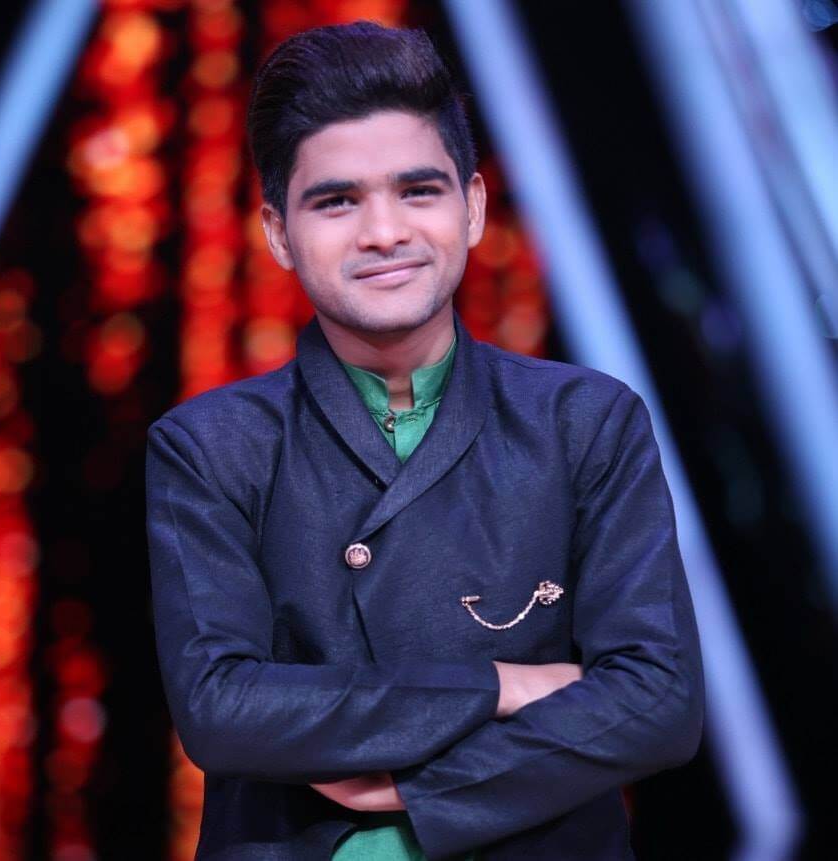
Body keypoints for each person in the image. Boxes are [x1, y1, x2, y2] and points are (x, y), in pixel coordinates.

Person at [145, 20, 704, 861]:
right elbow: (222, 711)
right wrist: (501, 684)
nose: (384, 232)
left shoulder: (584, 420)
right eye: (337, 201)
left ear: (471, 207)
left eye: (417, 191)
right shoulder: (210, 445)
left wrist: (421, 787)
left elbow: (658, 700)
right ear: (277, 232)